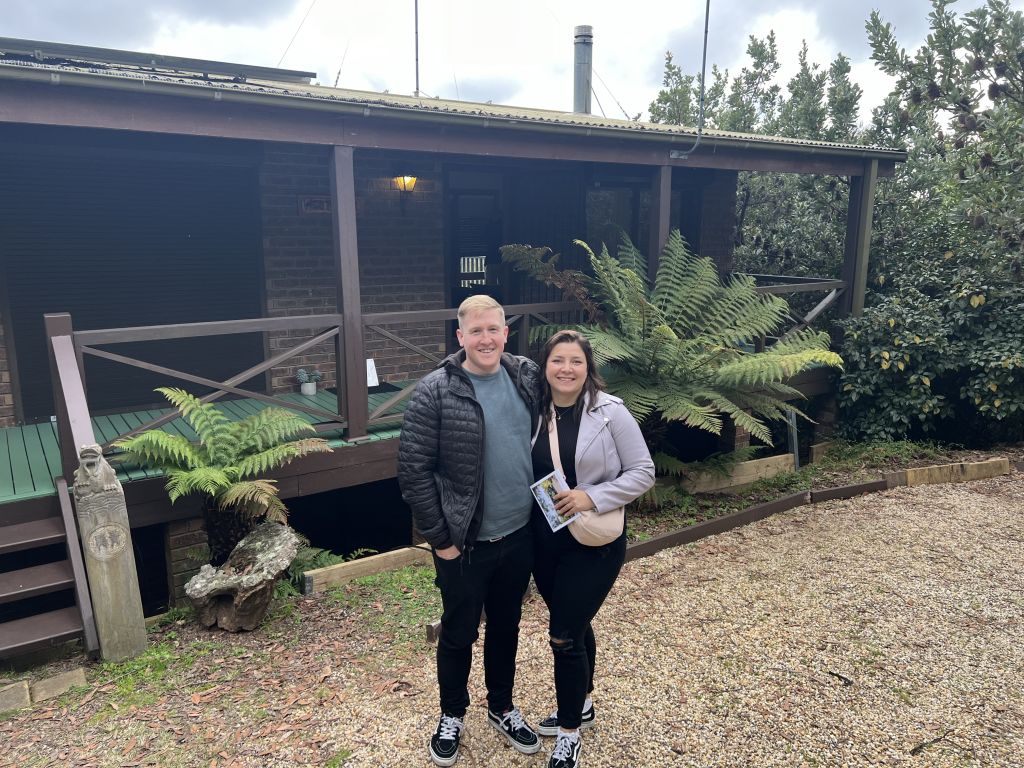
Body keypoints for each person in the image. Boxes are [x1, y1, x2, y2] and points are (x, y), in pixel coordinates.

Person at [397, 295, 542, 766]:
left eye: (494, 329)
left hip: (519, 535)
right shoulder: (434, 391)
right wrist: (442, 541)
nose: (486, 339)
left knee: (507, 626)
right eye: (475, 331)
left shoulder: (526, 376)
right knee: (459, 632)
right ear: (459, 337)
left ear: (505, 332)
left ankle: (501, 705)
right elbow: (413, 472)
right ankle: (452, 714)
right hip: (465, 544)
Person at [530, 329, 655, 768]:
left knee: (563, 636)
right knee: (575, 624)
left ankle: (569, 734)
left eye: (576, 361)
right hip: (545, 539)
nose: (566, 369)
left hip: (596, 542)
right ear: (544, 367)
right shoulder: (534, 410)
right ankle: (581, 703)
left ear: (588, 368)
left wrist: (591, 496)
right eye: (557, 361)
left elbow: (643, 471)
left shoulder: (611, 412)